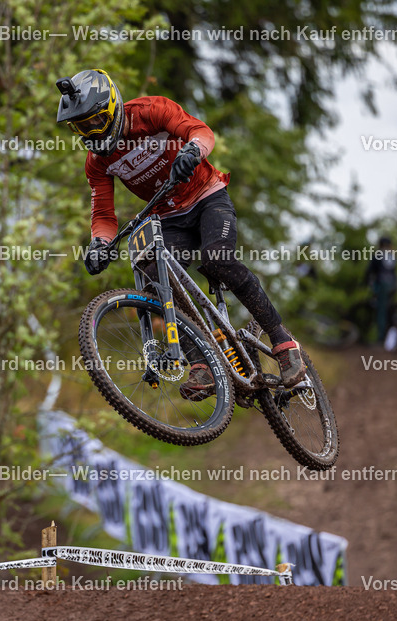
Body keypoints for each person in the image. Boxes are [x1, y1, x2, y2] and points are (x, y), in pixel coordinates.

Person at [55, 69, 306, 388]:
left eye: (95, 120)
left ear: (113, 108)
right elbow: (104, 214)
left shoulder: (151, 111)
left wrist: (192, 151)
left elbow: (201, 132)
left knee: (217, 260)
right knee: (151, 275)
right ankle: (202, 361)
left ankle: (283, 342)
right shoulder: (97, 162)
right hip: (169, 217)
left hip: (207, 197)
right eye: (81, 126)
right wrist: (99, 244)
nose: (90, 131)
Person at [366, 236, 397, 343]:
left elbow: (370, 271)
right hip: (392, 286)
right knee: (388, 310)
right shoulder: (392, 256)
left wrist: (367, 283)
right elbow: (394, 273)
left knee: (381, 311)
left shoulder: (378, 255)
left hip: (382, 285)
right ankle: (389, 337)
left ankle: (381, 338)